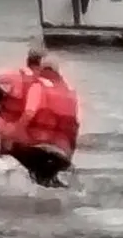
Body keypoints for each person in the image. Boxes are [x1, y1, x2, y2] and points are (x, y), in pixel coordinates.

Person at [5, 50, 80, 186]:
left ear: (41, 68)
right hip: (62, 152)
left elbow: (29, 113)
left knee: (8, 146)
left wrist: (12, 136)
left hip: (39, 148)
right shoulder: (70, 92)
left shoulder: (38, 86)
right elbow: (74, 127)